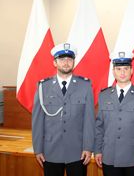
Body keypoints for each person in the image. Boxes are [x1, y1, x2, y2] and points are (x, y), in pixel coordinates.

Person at [32, 43, 95, 176]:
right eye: (62, 59)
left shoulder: (85, 85)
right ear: (55, 62)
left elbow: (89, 120)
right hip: (50, 150)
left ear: (74, 62)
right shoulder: (43, 86)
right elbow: (37, 122)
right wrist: (38, 149)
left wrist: (88, 147)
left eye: (69, 59)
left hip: (77, 151)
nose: (66, 63)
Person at [94, 51, 134, 176]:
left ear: (132, 71)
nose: (122, 72)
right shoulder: (104, 95)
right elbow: (99, 127)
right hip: (109, 156)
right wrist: (97, 150)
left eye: (126, 68)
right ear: (113, 72)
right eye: (118, 69)